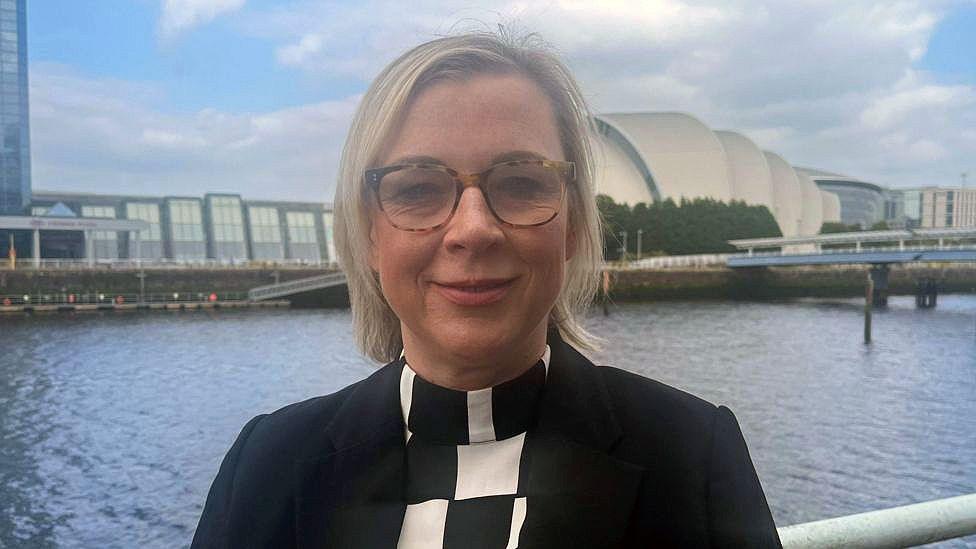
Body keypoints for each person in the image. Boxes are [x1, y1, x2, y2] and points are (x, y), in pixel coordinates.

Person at [191, 31, 781, 548]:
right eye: (418, 188)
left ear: (573, 223)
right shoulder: (268, 465)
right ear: (369, 232)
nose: (473, 230)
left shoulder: (689, 457)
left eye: (521, 182)